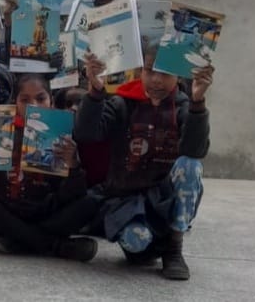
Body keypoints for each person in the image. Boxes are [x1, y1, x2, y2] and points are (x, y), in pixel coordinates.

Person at [75, 47, 214, 280]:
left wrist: (197, 102)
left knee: (190, 165)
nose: (157, 79)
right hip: (127, 199)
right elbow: (86, 134)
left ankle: (174, 247)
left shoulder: (184, 106)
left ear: (178, 75)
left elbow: (194, 150)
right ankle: (153, 243)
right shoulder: (122, 103)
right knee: (136, 245)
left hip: (165, 197)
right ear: (141, 71)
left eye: (166, 72)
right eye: (150, 71)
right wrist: (96, 90)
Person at [0, 74, 97, 260]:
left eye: (40, 98)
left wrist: (73, 165)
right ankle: (54, 245)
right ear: (14, 102)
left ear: (50, 101)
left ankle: (17, 239)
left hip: (44, 214)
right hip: (5, 209)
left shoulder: (61, 134)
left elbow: (71, 195)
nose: (33, 105)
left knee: (90, 203)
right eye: (25, 100)